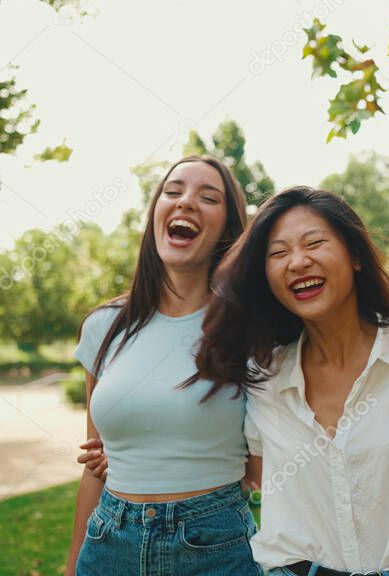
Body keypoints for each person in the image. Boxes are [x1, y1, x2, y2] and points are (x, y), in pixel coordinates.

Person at [190, 186, 389, 576]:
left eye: (314, 243)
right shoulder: (265, 376)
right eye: (278, 253)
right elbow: (245, 471)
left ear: (355, 256)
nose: (297, 262)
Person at [65, 155, 260, 576]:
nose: (186, 202)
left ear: (227, 230)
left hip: (215, 546)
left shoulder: (251, 330)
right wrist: (72, 566)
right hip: (108, 543)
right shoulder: (104, 327)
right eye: (173, 192)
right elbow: (95, 466)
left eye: (208, 197)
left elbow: (268, 459)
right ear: (156, 213)